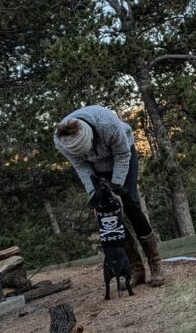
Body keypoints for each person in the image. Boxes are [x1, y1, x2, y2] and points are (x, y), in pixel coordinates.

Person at [53, 105, 165, 287]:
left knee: (130, 204)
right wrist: (95, 198)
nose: (84, 154)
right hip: (96, 170)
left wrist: (116, 188)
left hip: (122, 157)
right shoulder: (61, 140)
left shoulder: (107, 124)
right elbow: (81, 167)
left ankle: (155, 263)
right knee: (109, 212)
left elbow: (123, 154)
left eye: (85, 150)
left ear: (90, 137)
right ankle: (136, 267)